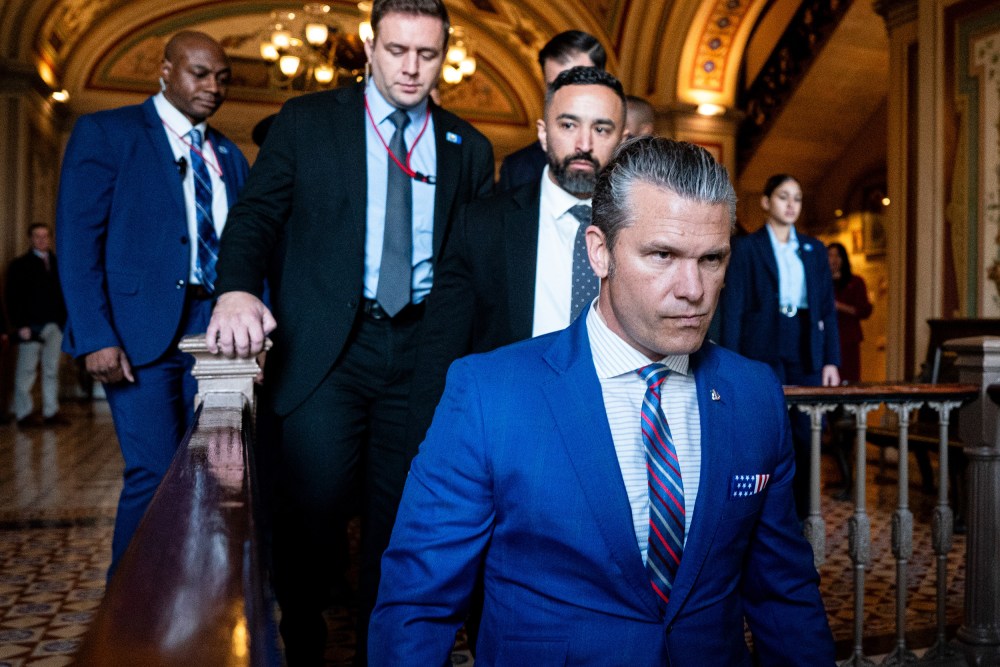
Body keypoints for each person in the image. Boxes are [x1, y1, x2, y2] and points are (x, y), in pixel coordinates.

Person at [371, 137, 836, 664]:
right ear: (600, 251)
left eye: (711, 259)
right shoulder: (489, 393)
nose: (693, 288)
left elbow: (786, 596)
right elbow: (417, 606)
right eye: (663, 255)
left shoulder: (754, 395)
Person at [204, 0, 495, 662]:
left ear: (445, 50)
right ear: (369, 43)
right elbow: (255, 218)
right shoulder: (309, 123)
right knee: (314, 505)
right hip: (328, 349)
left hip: (422, 351)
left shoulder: (469, 148)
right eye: (398, 51)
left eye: (428, 53)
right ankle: (301, 635)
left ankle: (376, 649)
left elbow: (473, 263)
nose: (413, 68)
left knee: (399, 519)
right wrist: (238, 288)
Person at [56, 31, 248, 576]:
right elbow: (77, 242)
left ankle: (198, 598)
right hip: (137, 331)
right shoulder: (108, 132)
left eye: (222, 77)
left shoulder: (228, 154)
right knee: (154, 469)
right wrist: (95, 335)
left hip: (216, 332)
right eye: (199, 73)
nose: (213, 87)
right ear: (164, 71)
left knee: (217, 470)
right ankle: (133, 611)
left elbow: (247, 247)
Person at [410, 65, 627, 442]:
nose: (584, 144)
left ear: (622, 141)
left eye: (601, 129)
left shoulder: (645, 231)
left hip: (618, 427)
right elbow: (439, 354)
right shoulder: (481, 226)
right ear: (543, 134)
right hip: (508, 429)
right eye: (568, 125)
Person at [716, 174, 840, 520]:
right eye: (783, 197)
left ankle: (800, 515)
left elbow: (827, 309)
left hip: (804, 345)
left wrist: (831, 360)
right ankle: (763, 513)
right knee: (765, 429)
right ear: (766, 202)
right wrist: (731, 361)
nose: (791, 205)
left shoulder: (815, 250)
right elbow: (735, 306)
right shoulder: (748, 247)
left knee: (805, 434)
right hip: (762, 346)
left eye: (797, 198)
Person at [496, 30, 607, 193]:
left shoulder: (637, 161)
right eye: (555, 86)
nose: (566, 96)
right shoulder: (518, 168)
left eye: (578, 82)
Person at [6, 224, 68, 427]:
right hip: (30, 326)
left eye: (45, 236)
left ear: (50, 238)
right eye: (37, 236)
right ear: (30, 239)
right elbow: (12, 297)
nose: (41, 240)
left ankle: (51, 411)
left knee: (51, 370)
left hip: (55, 325)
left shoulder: (59, 264)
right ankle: (24, 413)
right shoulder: (19, 265)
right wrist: (20, 324)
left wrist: (64, 322)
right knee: (26, 370)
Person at [828, 241, 872, 383]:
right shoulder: (821, 281)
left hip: (848, 338)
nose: (833, 260)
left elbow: (864, 310)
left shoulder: (855, 282)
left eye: (838, 256)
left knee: (849, 379)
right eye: (830, 255)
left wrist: (838, 306)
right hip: (826, 337)